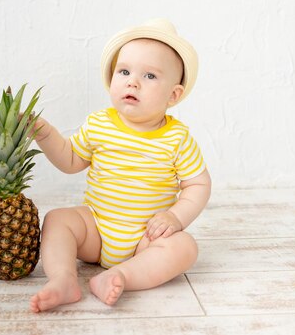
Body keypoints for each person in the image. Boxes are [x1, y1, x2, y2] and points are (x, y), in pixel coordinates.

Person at [29, 18, 212, 313]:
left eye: (150, 76)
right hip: (96, 231)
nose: (132, 81)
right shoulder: (100, 124)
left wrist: (175, 218)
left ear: (173, 95)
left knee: (185, 247)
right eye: (124, 71)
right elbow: (71, 160)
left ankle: (121, 276)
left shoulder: (177, 138)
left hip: (146, 239)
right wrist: (46, 134)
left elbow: (198, 184)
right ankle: (64, 279)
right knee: (58, 220)